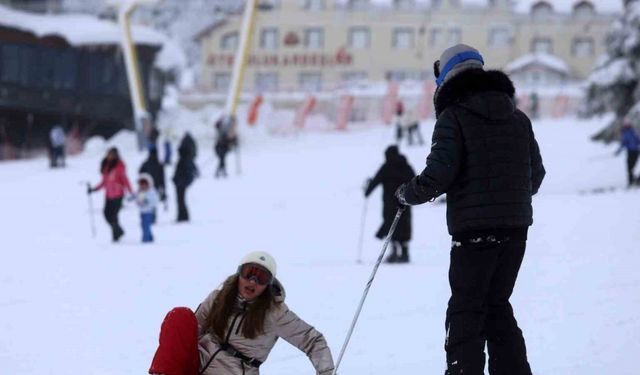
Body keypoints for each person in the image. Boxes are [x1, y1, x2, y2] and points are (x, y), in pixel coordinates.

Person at [395, 44, 545, 375]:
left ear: (445, 79)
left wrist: (407, 193)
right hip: (516, 230)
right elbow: (536, 175)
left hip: (474, 233)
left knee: (466, 310)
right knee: (497, 306)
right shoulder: (518, 118)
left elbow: (438, 175)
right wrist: (509, 199)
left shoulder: (454, 117)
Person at [148, 251, 335, 375]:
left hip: (234, 371)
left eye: (261, 277)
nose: (253, 281)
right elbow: (192, 330)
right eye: (249, 273)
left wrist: (326, 372)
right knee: (180, 316)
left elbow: (313, 340)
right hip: (198, 365)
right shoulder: (220, 297)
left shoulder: (275, 313)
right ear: (239, 274)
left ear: (268, 285)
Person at [364, 146, 415, 263]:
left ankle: (394, 252)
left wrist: (367, 191)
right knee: (404, 227)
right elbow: (414, 181)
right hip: (404, 203)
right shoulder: (406, 166)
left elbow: (376, 180)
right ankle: (405, 253)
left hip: (389, 204)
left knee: (391, 226)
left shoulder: (386, 167)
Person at [88, 147, 133, 242]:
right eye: (108, 154)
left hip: (118, 194)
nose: (109, 156)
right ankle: (118, 231)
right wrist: (94, 189)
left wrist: (130, 191)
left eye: (111, 154)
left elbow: (125, 180)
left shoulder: (120, 166)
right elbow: (104, 182)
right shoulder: (105, 165)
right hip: (108, 195)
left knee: (114, 215)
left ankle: (115, 236)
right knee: (106, 214)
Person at [173, 134, 199, 222]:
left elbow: (186, 168)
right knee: (181, 199)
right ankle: (182, 216)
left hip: (181, 181)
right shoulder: (188, 156)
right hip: (181, 180)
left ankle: (183, 217)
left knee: (180, 199)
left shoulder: (185, 156)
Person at [140, 147, 167, 218]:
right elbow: (162, 178)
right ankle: (153, 216)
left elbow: (140, 172)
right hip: (156, 186)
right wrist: (163, 189)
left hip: (146, 186)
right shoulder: (159, 164)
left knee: (146, 202)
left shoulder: (146, 163)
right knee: (153, 202)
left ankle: (147, 216)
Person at [132, 173, 159, 243]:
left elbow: (155, 201)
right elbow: (134, 198)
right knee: (143, 225)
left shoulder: (151, 192)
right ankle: (149, 237)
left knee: (146, 225)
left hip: (149, 212)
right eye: (141, 184)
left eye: (144, 184)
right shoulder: (139, 192)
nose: (143, 186)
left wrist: (147, 202)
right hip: (142, 212)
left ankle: (146, 238)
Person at [615, 121, 640, 187]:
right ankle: (633, 181)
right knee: (631, 167)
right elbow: (638, 141)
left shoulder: (626, 133)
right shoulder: (633, 132)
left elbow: (623, 144)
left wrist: (618, 151)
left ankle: (631, 182)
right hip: (636, 152)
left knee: (630, 167)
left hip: (632, 152)